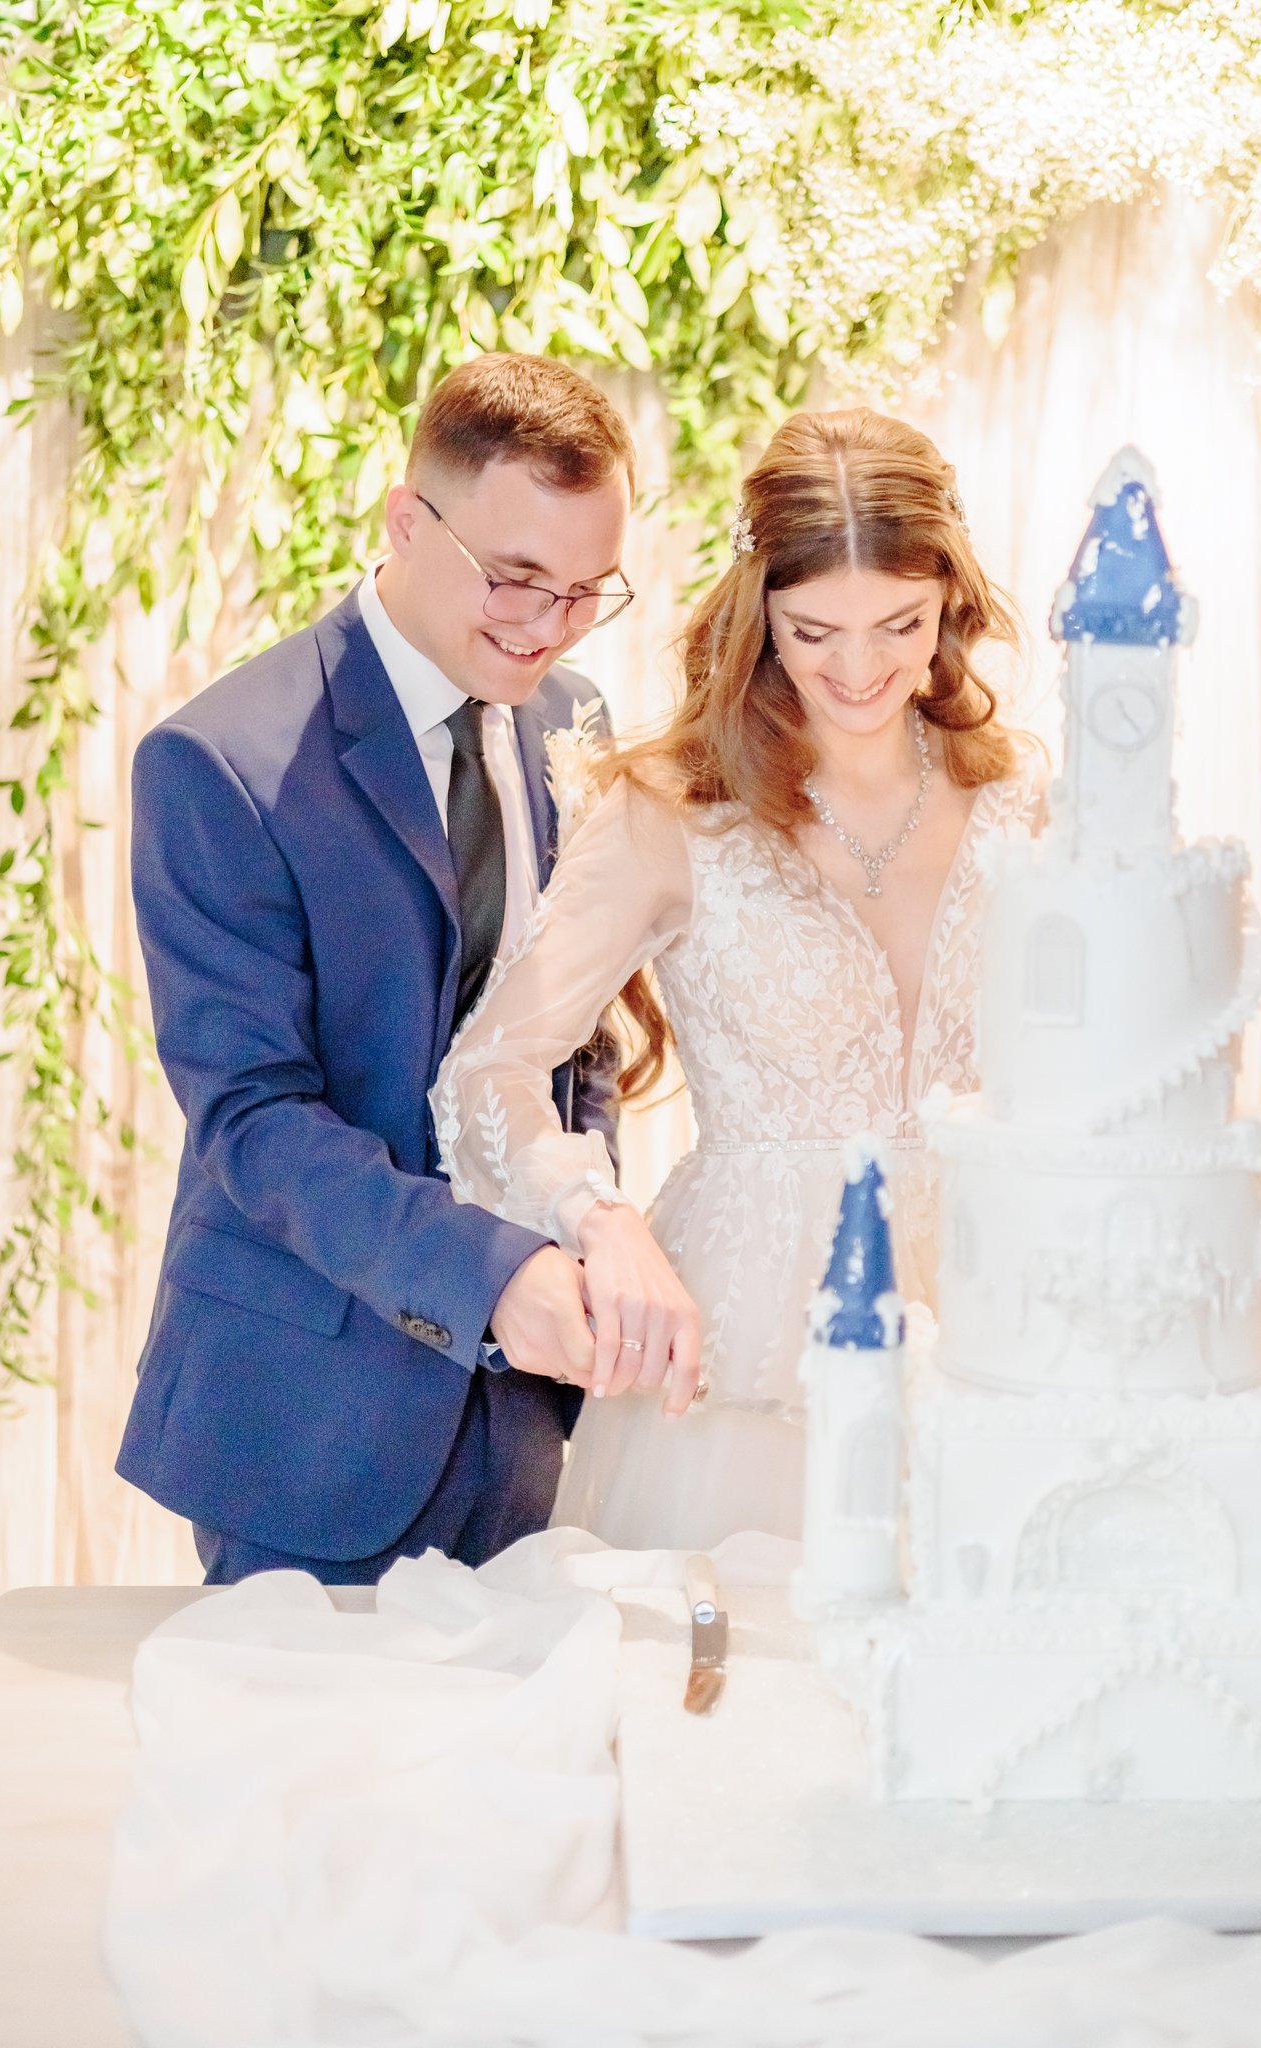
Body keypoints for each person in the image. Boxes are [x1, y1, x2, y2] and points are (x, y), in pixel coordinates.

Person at [432, 407, 1044, 1551]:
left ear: (950, 600)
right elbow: (490, 1068)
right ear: (758, 609)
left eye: (898, 625)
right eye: (814, 632)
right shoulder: (677, 811)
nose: (857, 669)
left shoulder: (1018, 802)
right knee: (736, 1700)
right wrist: (598, 1220)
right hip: (741, 1346)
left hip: (988, 1318)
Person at [116, 352, 672, 1585]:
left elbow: (569, 1041)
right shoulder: (221, 763)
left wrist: (585, 1226)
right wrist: (489, 1271)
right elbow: (256, 1123)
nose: (550, 626)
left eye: (587, 591)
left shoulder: (571, 717)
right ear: (407, 520)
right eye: (518, 580)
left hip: (523, 1418)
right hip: (308, 1423)